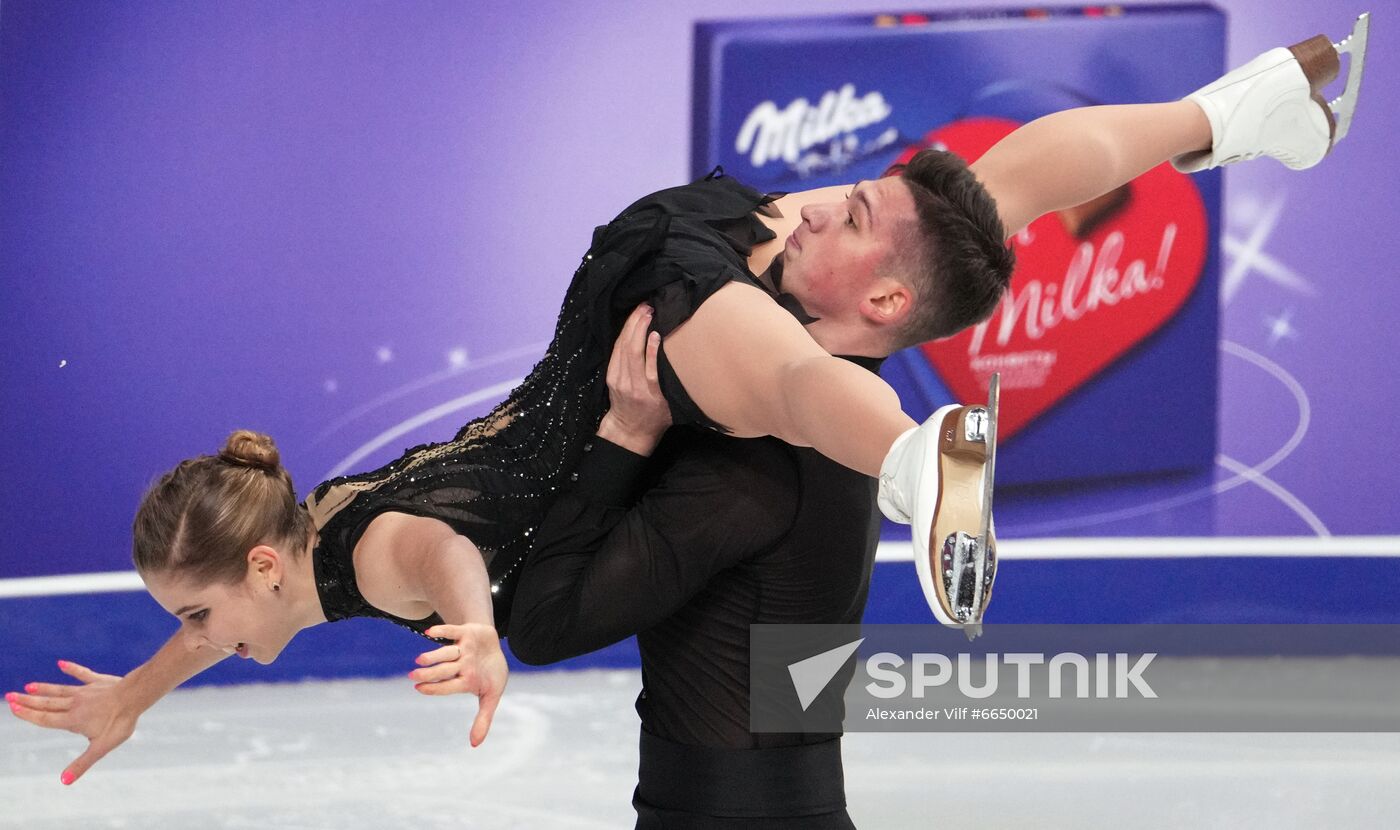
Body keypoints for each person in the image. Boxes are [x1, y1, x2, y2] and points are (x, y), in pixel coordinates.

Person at [5, 19, 1368, 793]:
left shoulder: (364, 555)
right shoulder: (299, 539)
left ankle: (915, 464)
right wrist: (140, 684)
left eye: (190, 617)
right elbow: (245, 606)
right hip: (693, 259)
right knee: (987, 194)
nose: (191, 636)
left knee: (767, 369)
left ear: (259, 563)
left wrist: (480, 632)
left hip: (637, 330)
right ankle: (1239, 111)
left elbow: (444, 560)